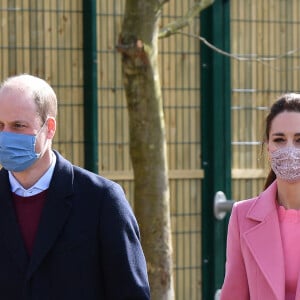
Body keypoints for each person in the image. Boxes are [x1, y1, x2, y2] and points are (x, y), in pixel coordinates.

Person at [0, 74, 150, 299]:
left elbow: (130, 293)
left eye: (18, 125)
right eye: (0, 125)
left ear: (49, 128)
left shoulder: (102, 201)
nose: (6, 135)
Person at [220, 93, 300, 300]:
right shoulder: (242, 216)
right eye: (280, 139)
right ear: (267, 146)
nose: (290, 149)